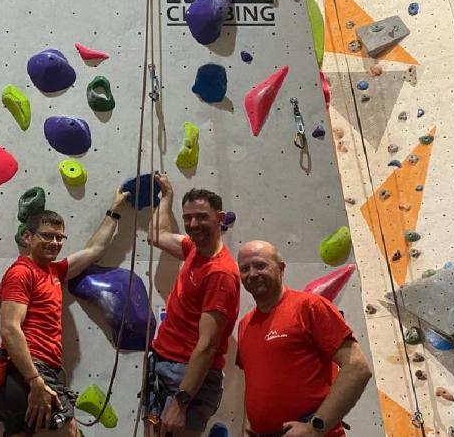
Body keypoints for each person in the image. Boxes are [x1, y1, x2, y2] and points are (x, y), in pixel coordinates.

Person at [0, 187, 130, 436]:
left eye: (59, 238)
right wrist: (35, 381)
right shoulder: (21, 273)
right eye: (47, 236)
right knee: (70, 432)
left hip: (35, 373)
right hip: (30, 372)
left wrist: (115, 210)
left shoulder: (54, 272)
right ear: (27, 237)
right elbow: (10, 329)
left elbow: (95, 250)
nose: (55, 243)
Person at [236, 240, 372, 437]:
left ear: (281, 268)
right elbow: (254, 381)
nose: (252, 274)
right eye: (244, 269)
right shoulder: (245, 324)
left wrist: (315, 427)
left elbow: (357, 367)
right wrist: (247, 423)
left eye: (260, 265)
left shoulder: (309, 307)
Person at [144, 172, 241, 437]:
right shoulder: (193, 249)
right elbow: (156, 235)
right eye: (188, 218)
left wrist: (181, 402)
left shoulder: (220, 274)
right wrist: (167, 196)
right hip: (163, 364)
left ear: (220, 219)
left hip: (185, 377)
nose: (193, 224)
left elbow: (208, 345)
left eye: (201, 217)